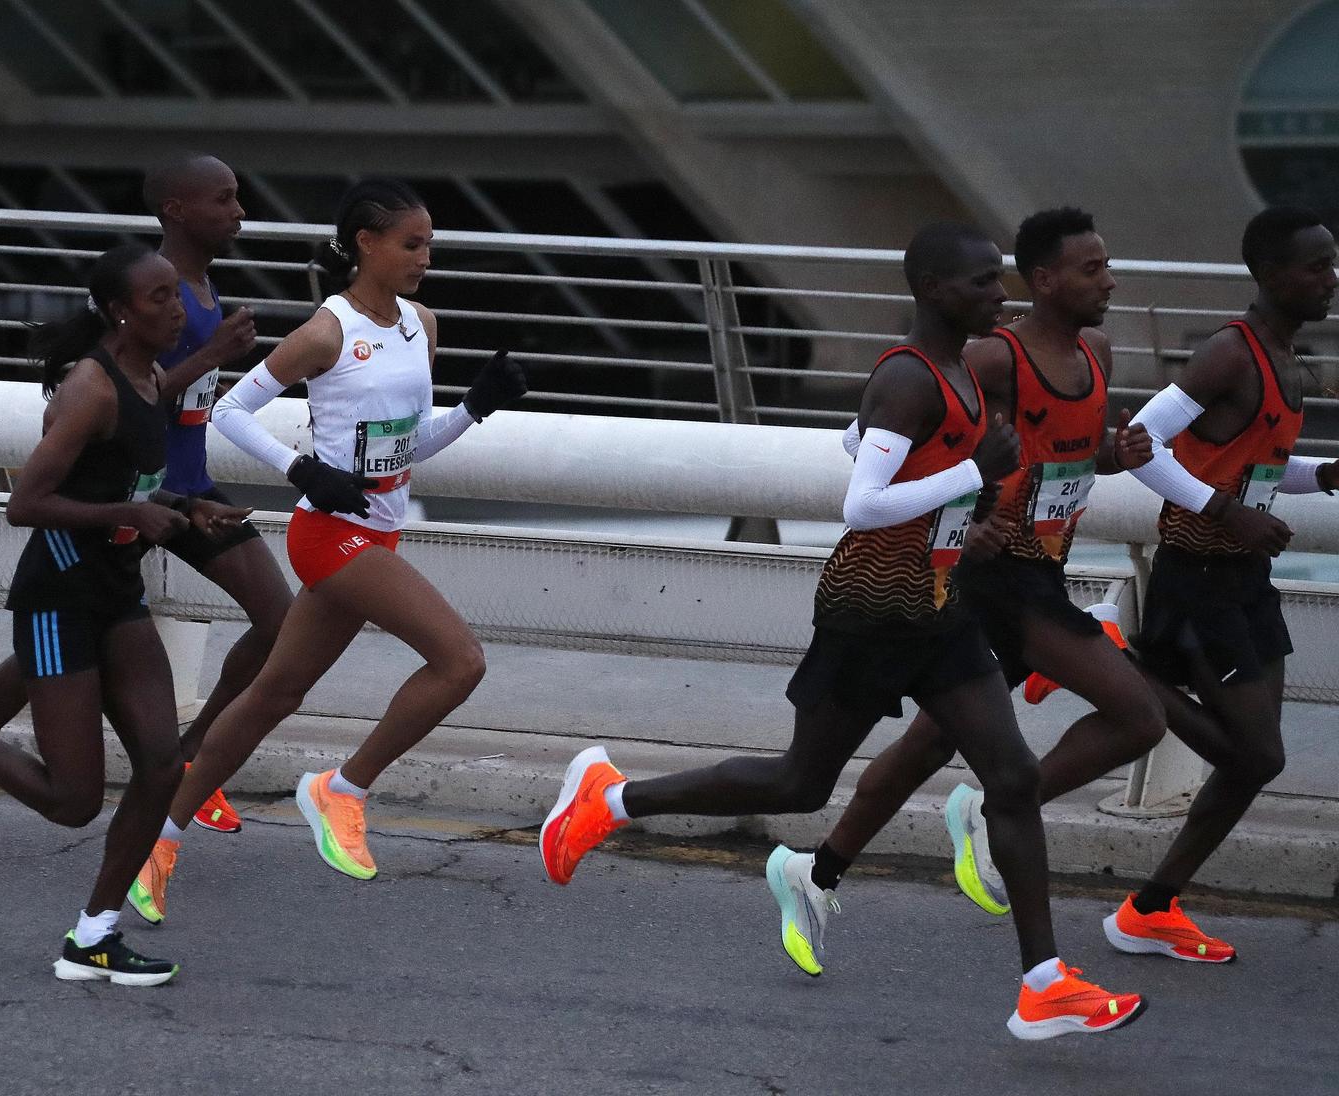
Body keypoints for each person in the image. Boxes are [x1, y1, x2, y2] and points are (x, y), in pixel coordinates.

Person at [541, 223, 1146, 1041]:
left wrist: (965, 522)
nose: (999, 297)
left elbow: (861, 443)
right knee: (799, 784)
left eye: (999, 282)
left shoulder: (959, 373)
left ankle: (1044, 984)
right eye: (981, 285)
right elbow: (860, 501)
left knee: (1009, 776)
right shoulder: (908, 377)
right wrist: (973, 477)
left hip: (939, 603)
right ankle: (609, 799)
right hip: (869, 608)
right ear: (934, 290)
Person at [121, 177, 528, 926]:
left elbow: (409, 445)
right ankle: (341, 789)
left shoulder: (421, 324)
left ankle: (154, 843)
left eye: (430, 244)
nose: (425, 257)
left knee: (269, 699)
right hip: (328, 535)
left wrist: (474, 407)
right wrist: (301, 469)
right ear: (365, 244)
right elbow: (231, 411)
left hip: (377, 530)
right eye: (412, 244)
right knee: (460, 660)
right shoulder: (327, 330)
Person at [0, 243, 251, 985]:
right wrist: (128, 509)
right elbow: (24, 504)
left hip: (116, 595)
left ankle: (93, 937)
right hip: (59, 600)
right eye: (160, 298)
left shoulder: (148, 376)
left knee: (162, 766)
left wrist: (184, 507)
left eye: (177, 295)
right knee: (73, 802)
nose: (176, 309)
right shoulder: (90, 388)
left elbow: (129, 479)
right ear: (120, 311)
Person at [773, 209, 1168, 945]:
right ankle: (1000, 815)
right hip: (998, 579)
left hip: (1042, 569)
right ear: (1043, 280)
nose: (1109, 281)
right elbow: (866, 436)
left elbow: (1075, 453)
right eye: (1092, 268)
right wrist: (969, 516)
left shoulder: (1099, 353)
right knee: (1139, 715)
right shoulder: (995, 359)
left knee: (927, 742)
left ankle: (816, 873)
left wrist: (1121, 451)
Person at [0, 154, 288, 854]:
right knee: (53, 644)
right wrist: (212, 359)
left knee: (276, 618)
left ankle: (192, 758)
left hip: (182, 487)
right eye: (224, 198)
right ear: (176, 209)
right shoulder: (147, 286)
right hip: (129, 492)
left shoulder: (194, 287)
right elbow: (132, 392)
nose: (240, 210)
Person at [1112, 206, 1337, 961]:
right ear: (1272, 276)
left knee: (1247, 767)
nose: (1331, 279)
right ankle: (1121, 662)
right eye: (1317, 266)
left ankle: (1150, 908)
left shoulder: (1287, 361)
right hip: (1201, 573)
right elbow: (1140, 444)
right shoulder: (1228, 355)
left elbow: (1260, 470)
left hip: (1245, 578)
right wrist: (1226, 514)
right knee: (1260, 757)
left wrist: (1325, 475)